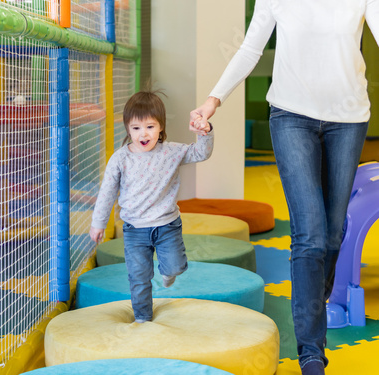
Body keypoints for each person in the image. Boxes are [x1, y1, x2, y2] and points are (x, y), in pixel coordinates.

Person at [189, 1, 379, 374]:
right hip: (291, 117)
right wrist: (214, 100)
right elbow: (250, 47)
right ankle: (312, 354)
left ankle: (313, 293)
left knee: (333, 233)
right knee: (309, 235)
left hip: (349, 118)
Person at [90, 90, 213, 323]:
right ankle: (143, 319)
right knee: (138, 278)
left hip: (167, 225)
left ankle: (168, 273)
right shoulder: (120, 159)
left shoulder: (171, 152)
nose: (143, 134)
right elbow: (107, 192)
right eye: (136, 128)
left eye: (150, 127)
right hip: (135, 229)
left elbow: (201, 153)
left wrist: (204, 132)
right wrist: (98, 223)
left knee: (175, 267)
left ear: (160, 128)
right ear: (127, 129)